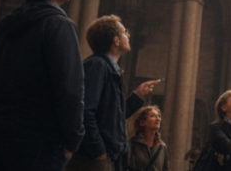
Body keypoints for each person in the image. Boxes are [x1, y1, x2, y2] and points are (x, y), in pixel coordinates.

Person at [0, 0, 84, 171]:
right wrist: (73, 139)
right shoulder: (59, 25)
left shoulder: (8, 27)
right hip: (39, 140)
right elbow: (70, 89)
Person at [68, 15, 162, 171]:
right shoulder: (98, 65)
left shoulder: (110, 69)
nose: (129, 35)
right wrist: (99, 151)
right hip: (93, 159)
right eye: (125, 32)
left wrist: (137, 97)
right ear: (116, 41)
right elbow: (84, 112)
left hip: (106, 158)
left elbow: (111, 117)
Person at [127, 106, 168, 171]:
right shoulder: (132, 144)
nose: (158, 119)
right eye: (153, 116)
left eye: (159, 116)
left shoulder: (162, 147)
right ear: (142, 123)